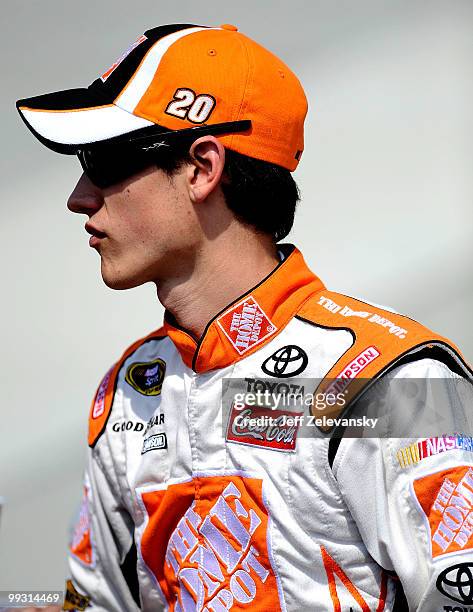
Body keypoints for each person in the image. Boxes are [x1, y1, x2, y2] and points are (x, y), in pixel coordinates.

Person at [16, 23, 473, 612]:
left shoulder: (396, 381)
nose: (79, 197)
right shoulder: (127, 396)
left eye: (102, 160)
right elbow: (93, 605)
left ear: (203, 168)